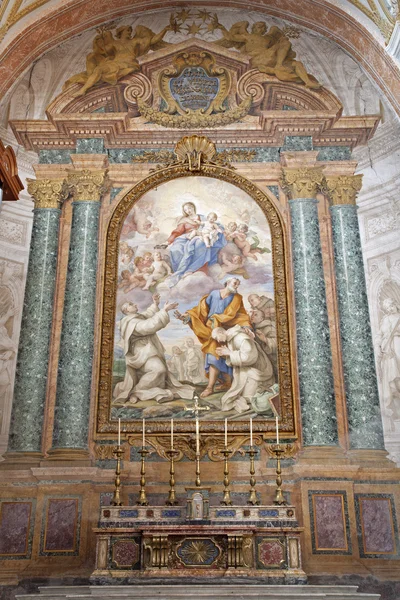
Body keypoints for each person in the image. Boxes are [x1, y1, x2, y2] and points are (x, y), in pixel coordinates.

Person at [174, 277, 251, 398]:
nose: (237, 286)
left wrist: (247, 326)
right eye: (235, 283)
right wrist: (187, 317)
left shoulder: (237, 298)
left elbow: (241, 314)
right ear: (227, 283)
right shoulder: (214, 294)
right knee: (214, 355)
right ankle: (216, 385)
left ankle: (220, 385)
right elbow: (201, 310)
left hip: (226, 331)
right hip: (210, 329)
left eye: (238, 284)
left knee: (219, 355)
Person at [113, 294, 194, 404]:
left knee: (159, 370)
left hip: (146, 349)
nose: (135, 304)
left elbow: (147, 315)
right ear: (127, 310)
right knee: (158, 369)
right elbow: (148, 326)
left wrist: (155, 304)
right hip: (142, 351)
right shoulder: (130, 322)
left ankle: (139, 392)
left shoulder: (135, 317)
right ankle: (136, 392)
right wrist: (164, 310)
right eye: (131, 304)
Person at [214, 325, 275, 413]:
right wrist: (227, 355)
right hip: (247, 369)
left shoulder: (240, 337)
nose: (218, 341)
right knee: (240, 396)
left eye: (217, 338)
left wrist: (230, 353)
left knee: (248, 397)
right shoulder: (231, 339)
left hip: (257, 369)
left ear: (220, 332)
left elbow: (249, 357)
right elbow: (238, 358)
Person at [167, 202, 226, 284]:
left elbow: (214, 224)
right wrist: (168, 241)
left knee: (200, 243)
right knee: (175, 249)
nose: (188, 211)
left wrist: (219, 229)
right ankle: (180, 271)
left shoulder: (203, 218)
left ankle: (193, 270)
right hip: (187, 237)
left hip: (202, 235)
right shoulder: (184, 220)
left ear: (193, 207)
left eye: (189, 208)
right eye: (185, 210)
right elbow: (177, 232)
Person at [378, 298, 400, 417]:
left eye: (391, 306)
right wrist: (378, 346)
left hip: (397, 344)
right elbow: (379, 335)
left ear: (396, 304)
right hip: (388, 350)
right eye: (387, 308)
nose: (390, 309)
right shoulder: (386, 319)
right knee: (393, 376)